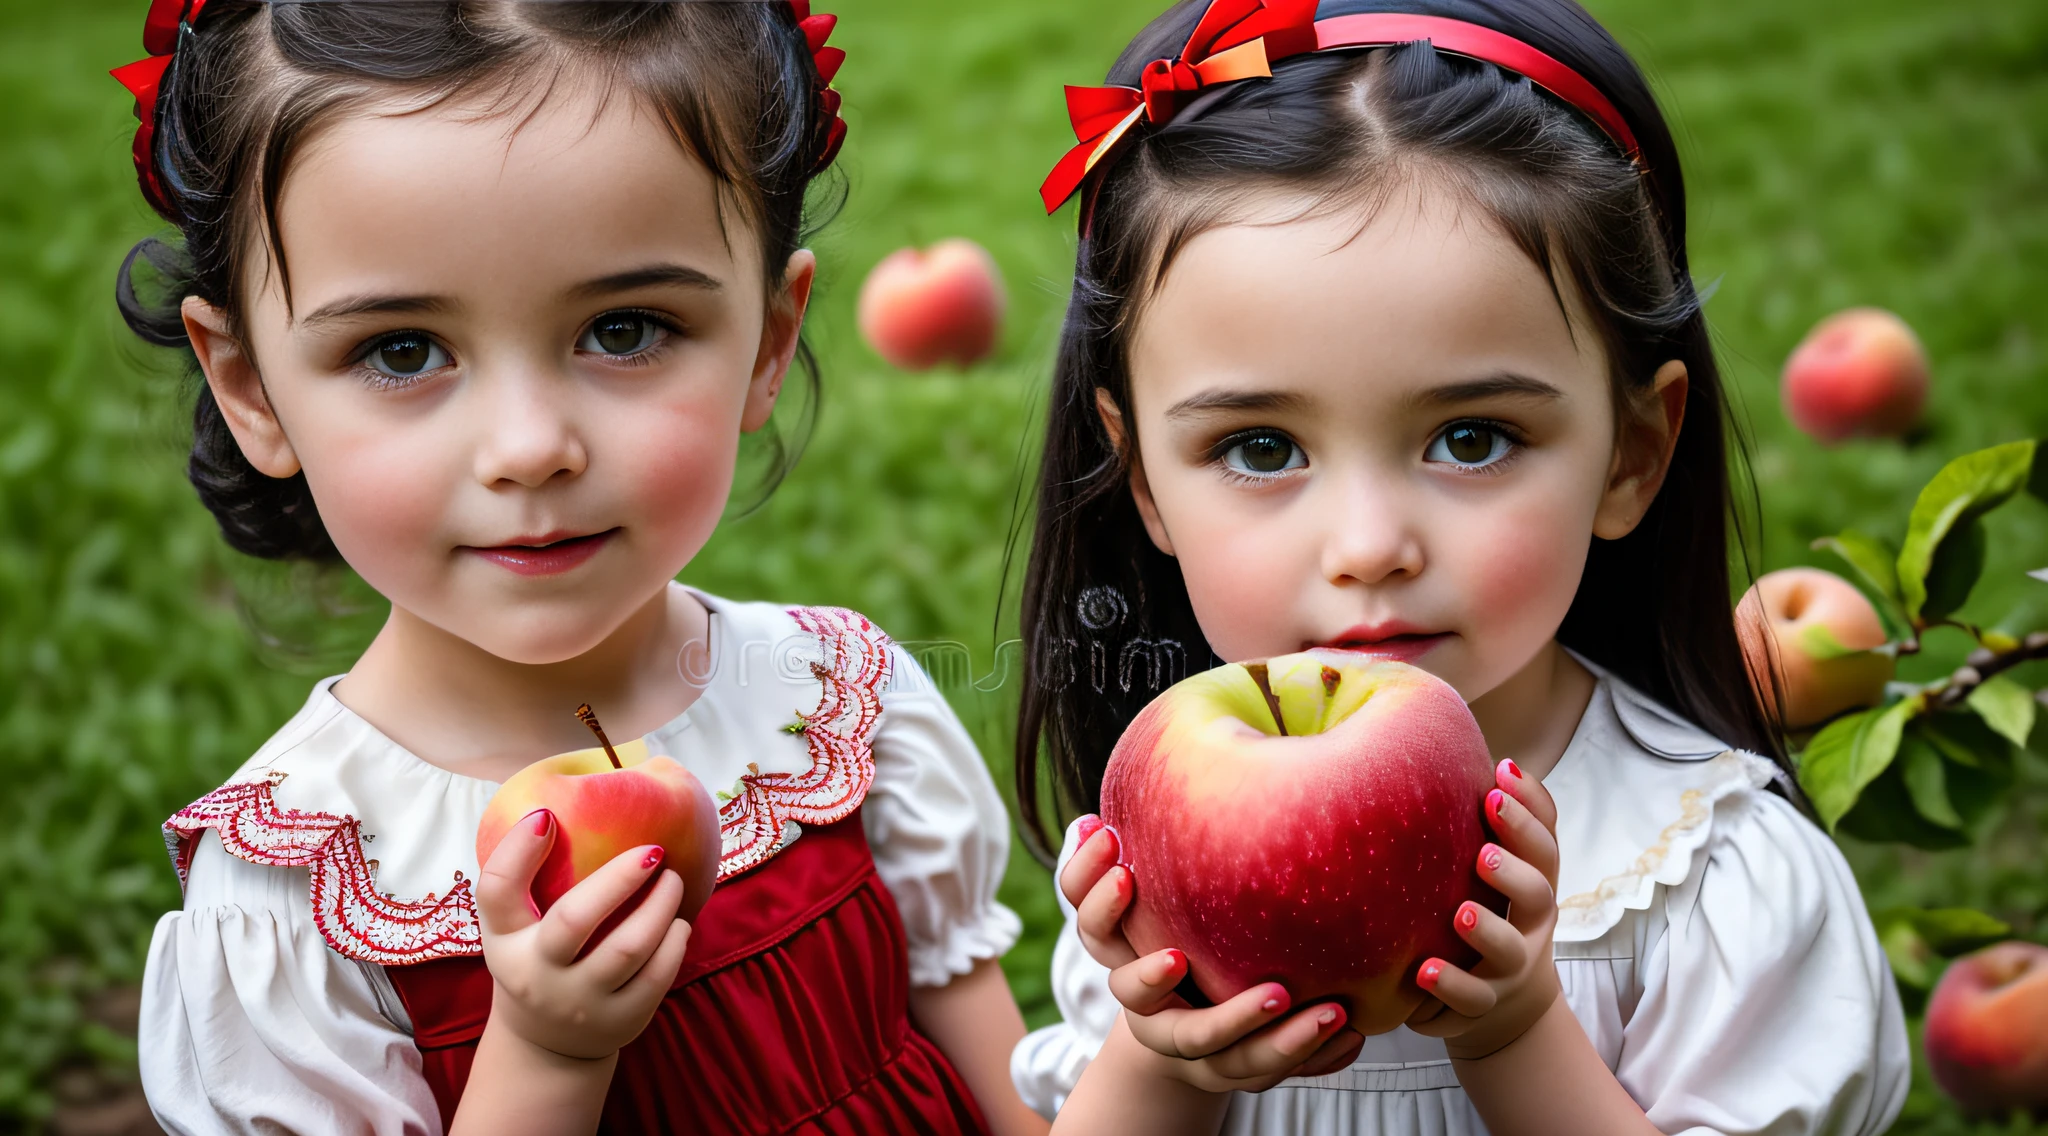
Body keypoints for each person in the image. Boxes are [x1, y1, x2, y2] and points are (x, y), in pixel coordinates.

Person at [116, 3, 1047, 1134]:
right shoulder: (302, 894)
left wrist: (1168, 1057)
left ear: (766, 339)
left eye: (623, 329)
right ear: (251, 385)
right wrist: (547, 1054)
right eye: (401, 350)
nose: (528, 447)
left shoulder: (833, 714)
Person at [1005, 0, 1910, 1132]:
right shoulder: (1163, 860)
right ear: (1143, 482)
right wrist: (1161, 1061)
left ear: (1631, 454)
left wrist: (1515, 1029)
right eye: (1259, 448)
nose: (1371, 544)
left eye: (1469, 438)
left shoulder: (1704, 884)